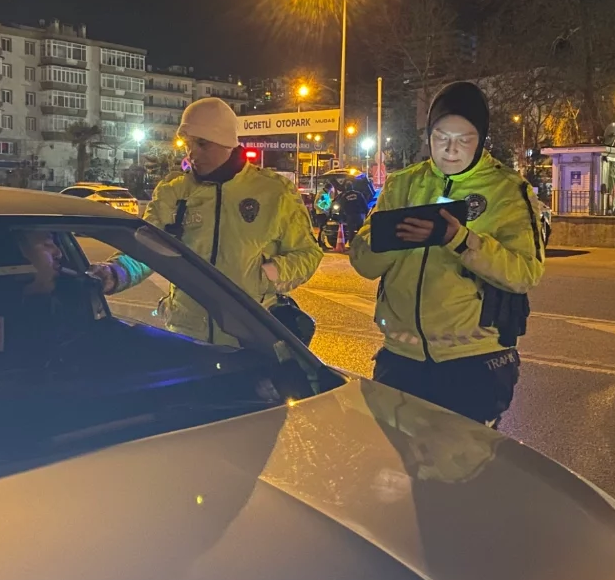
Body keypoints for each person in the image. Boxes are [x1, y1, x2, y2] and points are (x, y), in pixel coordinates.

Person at [349, 81, 545, 427]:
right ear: (428, 135)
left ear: (481, 140)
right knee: (398, 473)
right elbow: (364, 263)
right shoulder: (402, 184)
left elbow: (525, 272)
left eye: (464, 139)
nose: (450, 149)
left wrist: (459, 240)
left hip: (472, 362)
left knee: (463, 475)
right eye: (441, 137)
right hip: (401, 358)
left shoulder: (508, 190)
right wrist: (391, 237)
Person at [89, 98, 323, 344]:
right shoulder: (174, 192)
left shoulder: (275, 191)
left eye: (202, 144)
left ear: (226, 143)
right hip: (187, 338)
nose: (192, 153)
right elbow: (147, 248)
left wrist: (266, 274)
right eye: (189, 144)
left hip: (252, 336)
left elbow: (307, 253)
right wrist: (114, 273)